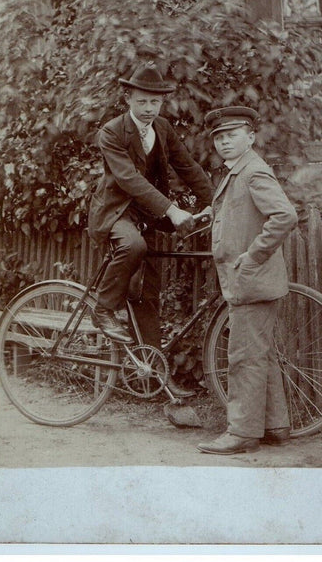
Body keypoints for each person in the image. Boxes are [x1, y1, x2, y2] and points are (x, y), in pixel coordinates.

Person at [88, 61, 213, 397]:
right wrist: (171, 210)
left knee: (148, 298)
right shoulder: (111, 133)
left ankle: (157, 379)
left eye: (154, 102)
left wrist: (218, 199)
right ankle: (103, 308)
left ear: (161, 103)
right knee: (133, 246)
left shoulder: (163, 128)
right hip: (117, 214)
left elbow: (186, 165)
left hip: (148, 218)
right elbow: (128, 179)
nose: (148, 108)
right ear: (128, 98)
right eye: (142, 101)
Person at [197, 106, 298, 454]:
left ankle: (241, 432)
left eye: (232, 135)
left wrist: (252, 257)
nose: (224, 142)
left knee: (243, 357)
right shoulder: (238, 172)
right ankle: (275, 426)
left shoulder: (253, 171)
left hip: (252, 280)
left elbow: (284, 215)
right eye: (219, 138)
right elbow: (243, 213)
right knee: (260, 355)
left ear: (250, 137)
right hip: (249, 280)